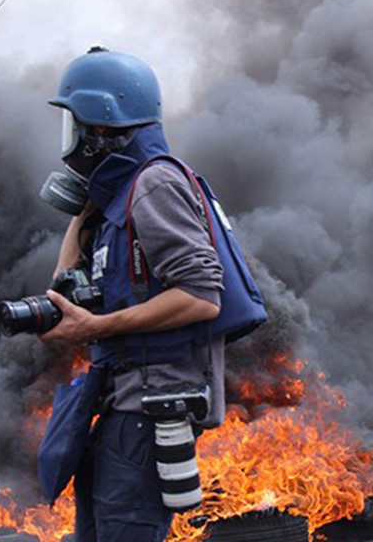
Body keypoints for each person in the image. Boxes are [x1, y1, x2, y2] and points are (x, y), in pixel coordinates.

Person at [37, 47, 255, 541]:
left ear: (101, 126)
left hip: (146, 414)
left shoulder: (154, 184)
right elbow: (62, 285)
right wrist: (86, 205)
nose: (69, 139)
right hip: (120, 407)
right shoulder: (118, 198)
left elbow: (202, 295)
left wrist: (96, 327)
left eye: (76, 124)